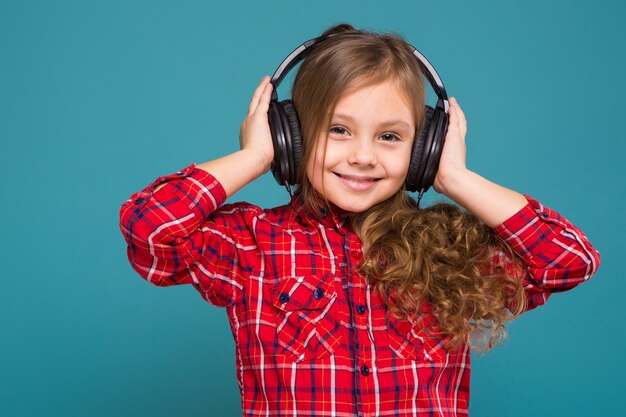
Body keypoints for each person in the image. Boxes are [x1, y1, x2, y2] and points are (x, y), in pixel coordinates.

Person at [119, 24, 600, 417]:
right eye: (339, 130)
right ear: (293, 135)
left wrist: (455, 176)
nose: (364, 156)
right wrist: (255, 155)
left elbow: (568, 260)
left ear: (424, 149)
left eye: (390, 137)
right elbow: (150, 228)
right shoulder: (250, 245)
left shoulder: (447, 247)